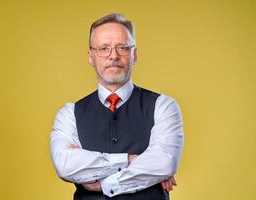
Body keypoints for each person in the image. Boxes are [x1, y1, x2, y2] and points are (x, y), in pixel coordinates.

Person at [50, 13, 184, 200]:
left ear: (134, 54)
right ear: (91, 57)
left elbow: (163, 163)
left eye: (122, 47)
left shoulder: (163, 106)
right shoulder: (69, 114)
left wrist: (102, 185)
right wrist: (131, 161)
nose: (113, 56)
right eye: (104, 48)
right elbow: (66, 165)